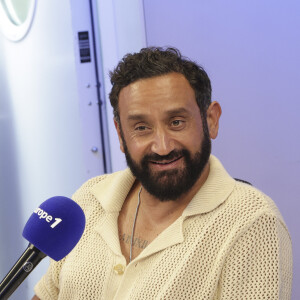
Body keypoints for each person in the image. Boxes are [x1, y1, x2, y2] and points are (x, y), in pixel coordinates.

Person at [32, 47, 292, 299]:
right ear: (121, 134)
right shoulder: (89, 199)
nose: (162, 147)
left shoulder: (252, 222)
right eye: (142, 127)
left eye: (176, 122)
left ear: (211, 120)